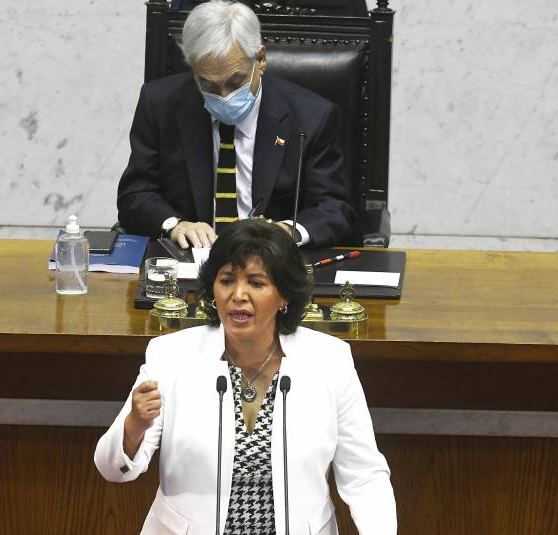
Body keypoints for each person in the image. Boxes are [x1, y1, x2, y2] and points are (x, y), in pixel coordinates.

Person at [94, 219, 396, 534]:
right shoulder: (171, 355)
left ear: (284, 295)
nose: (238, 295)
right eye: (227, 280)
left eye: (256, 283)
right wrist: (134, 427)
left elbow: (364, 475)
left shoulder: (329, 360)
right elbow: (113, 469)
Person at [116, 0, 355, 249]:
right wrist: (175, 225)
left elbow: (334, 208)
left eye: (235, 82)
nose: (224, 96)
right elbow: (135, 194)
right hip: (192, 258)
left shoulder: (312, 117)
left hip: (272, 259)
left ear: (260, 60)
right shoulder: (160, 104)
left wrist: (287, 231)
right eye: (208, 84)